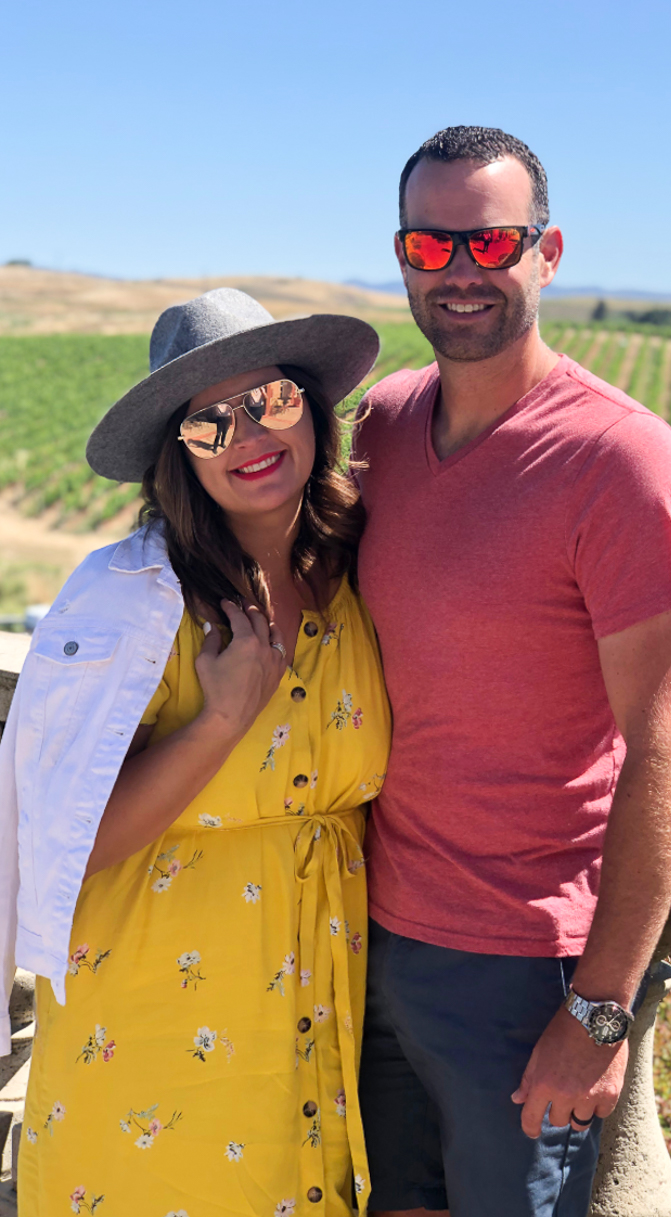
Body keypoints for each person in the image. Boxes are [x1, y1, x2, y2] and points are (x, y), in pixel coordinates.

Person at [352, 126, 671, 1217]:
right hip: (368, 936)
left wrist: (601, 1011)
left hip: (523, 974)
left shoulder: (621, 460)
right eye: (430, 242)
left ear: (546, 252)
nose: (458, 269)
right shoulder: (384, 423)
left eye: (490, 239)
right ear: (403, 255)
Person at [0, 288, 391, 1216]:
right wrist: (217, 723)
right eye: (210, 424)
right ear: (177, 457)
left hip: (311, 1000)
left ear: (312, 407)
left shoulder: (357, 572)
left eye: (272, 401)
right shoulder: (129, 597)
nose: (250, 435)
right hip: (151, 1023)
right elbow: (64, 839)